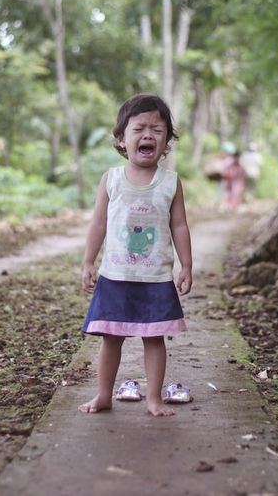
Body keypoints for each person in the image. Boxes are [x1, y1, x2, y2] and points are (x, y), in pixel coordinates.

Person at [79, 93, 193, 417]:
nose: (148, 135)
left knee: (154, 339)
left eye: (157, 130)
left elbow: (180, 226)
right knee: (110, 340)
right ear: (121, 139)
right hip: (115, 276)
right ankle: (103, 395)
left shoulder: (170, 183)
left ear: (167, 141)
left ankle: (153, 398)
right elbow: (98, 223)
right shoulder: (111, 180)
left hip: (155, 277)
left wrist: (186, 265)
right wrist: (88, 261)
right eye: (139, 128)